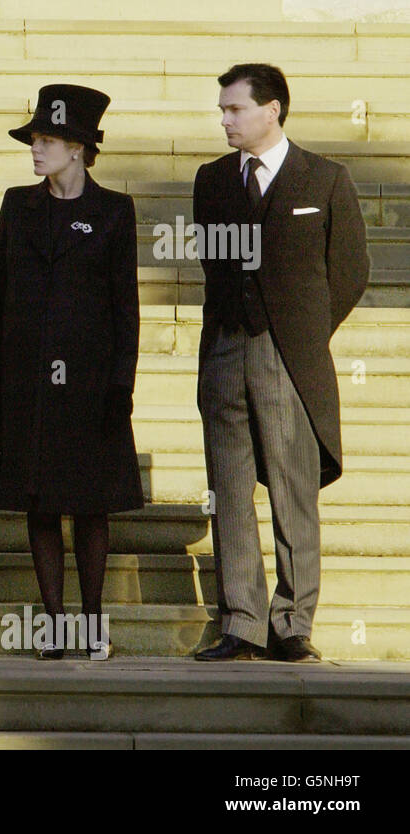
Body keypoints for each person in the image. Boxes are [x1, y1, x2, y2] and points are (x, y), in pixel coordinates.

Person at [193, 64, 369, 663]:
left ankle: (291, 623)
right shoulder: (211, 179)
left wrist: (304, 335)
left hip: (289, 356)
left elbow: (350, 273)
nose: (224, 119)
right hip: (224, 351)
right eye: (222, 110)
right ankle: (240, 622)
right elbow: (213, 266)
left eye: (234, 109)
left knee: (294, 490)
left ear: (271, 110)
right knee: (230, 490)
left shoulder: (325, 179)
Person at [0, 84, 143, 661]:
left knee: (91, 504)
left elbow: (127, 308)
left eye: (45, 140)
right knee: (39, 503)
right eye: (35, 139)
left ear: (78, 147)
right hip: (26, 383)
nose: (35, 149)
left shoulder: (114, 211)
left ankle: (93, 625)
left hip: (92, 386)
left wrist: (121, 384)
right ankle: (54, 625)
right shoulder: (16, 205)